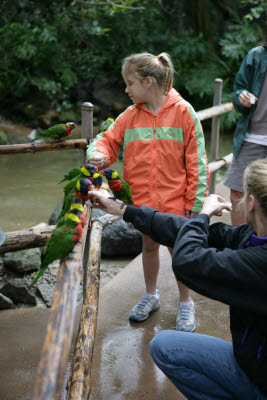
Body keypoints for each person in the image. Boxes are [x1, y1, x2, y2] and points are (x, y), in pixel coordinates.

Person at [89, 158, 267, 400]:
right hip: (255, 362)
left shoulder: (259, 261)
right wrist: (121, 210)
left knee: (166, 348)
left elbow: (188, 261)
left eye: (244, 196)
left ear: (253, 203)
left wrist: (203, 215)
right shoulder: (254, 236)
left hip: (261, 379)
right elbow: (187, 229)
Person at [87, 51, 209, 331]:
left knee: (180, 249)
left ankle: (185, 302)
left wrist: (195, 200)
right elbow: (107, 141)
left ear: (149, 82)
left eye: (130, 83)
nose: (126, 89)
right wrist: (98, 155)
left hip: (176, 200)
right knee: (149, 246)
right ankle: (151, 295)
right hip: (141, 200)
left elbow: (197, 160)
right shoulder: (130, 117)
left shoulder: (183, 112)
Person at [224, 44, 267, 225]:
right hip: (252, 136)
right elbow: (238, 91)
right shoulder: (256, 55)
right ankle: (240, 247)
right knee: (238, 194)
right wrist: (241, 97)